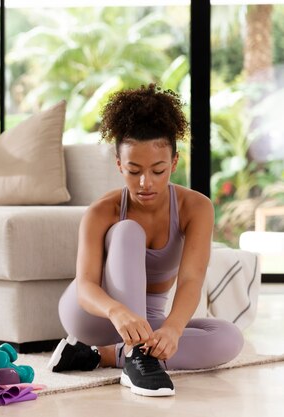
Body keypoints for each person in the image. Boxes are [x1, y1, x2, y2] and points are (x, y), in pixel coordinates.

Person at [47, 84, 244, 397]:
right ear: (119, 165)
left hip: (148, 318)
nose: (145, 183)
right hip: (94, 315)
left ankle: (105, 355)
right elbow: (84, 286)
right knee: (128, 231)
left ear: (175, 163)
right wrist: (116, 311)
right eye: (133, 170)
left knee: (229, 338)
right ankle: (137, 361)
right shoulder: (102, 211)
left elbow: (192, 279)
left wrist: (173, 329)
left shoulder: (197, 208)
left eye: (158, 170)